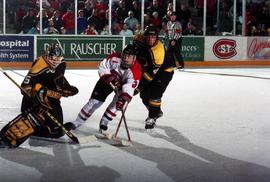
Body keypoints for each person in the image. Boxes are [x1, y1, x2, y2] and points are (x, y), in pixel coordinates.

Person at [0, 43, 78, 148]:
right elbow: (25, 87)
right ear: (46, 56)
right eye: (53, 59)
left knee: (56, 126)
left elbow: (57, 80)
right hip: (33, 98)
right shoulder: (39, 65)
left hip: (48, 95)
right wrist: (36, 96)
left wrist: (62, 88)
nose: (55, 62)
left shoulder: (62, 64)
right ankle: (29, 132)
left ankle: (50, 128)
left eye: (58, 59)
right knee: (34, 120)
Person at [70, 44, 141, 132]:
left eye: (129, 57)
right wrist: (109, 78)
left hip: (122, 86)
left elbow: (129, 86)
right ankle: (77, 122)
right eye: (125, 55)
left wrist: (123, 98)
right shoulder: (115, 57)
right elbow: (103, 67)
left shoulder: (136, 70)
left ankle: (105, 121)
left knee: (117, 104)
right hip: (107, 80)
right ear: (122, 54)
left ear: (134, 58)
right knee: (95, 101)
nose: (126, 59)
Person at [133, 24, 176, 129]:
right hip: (152, 70)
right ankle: (156, 111)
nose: (151, 39)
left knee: (155, 93)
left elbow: (150, 74)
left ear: (157, 37)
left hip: (165, 71)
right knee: (144, 96)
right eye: (148, 36)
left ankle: (152, 117)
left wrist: (138, 87)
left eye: (153, 37)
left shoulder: (158, 51)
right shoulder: (142, 40)